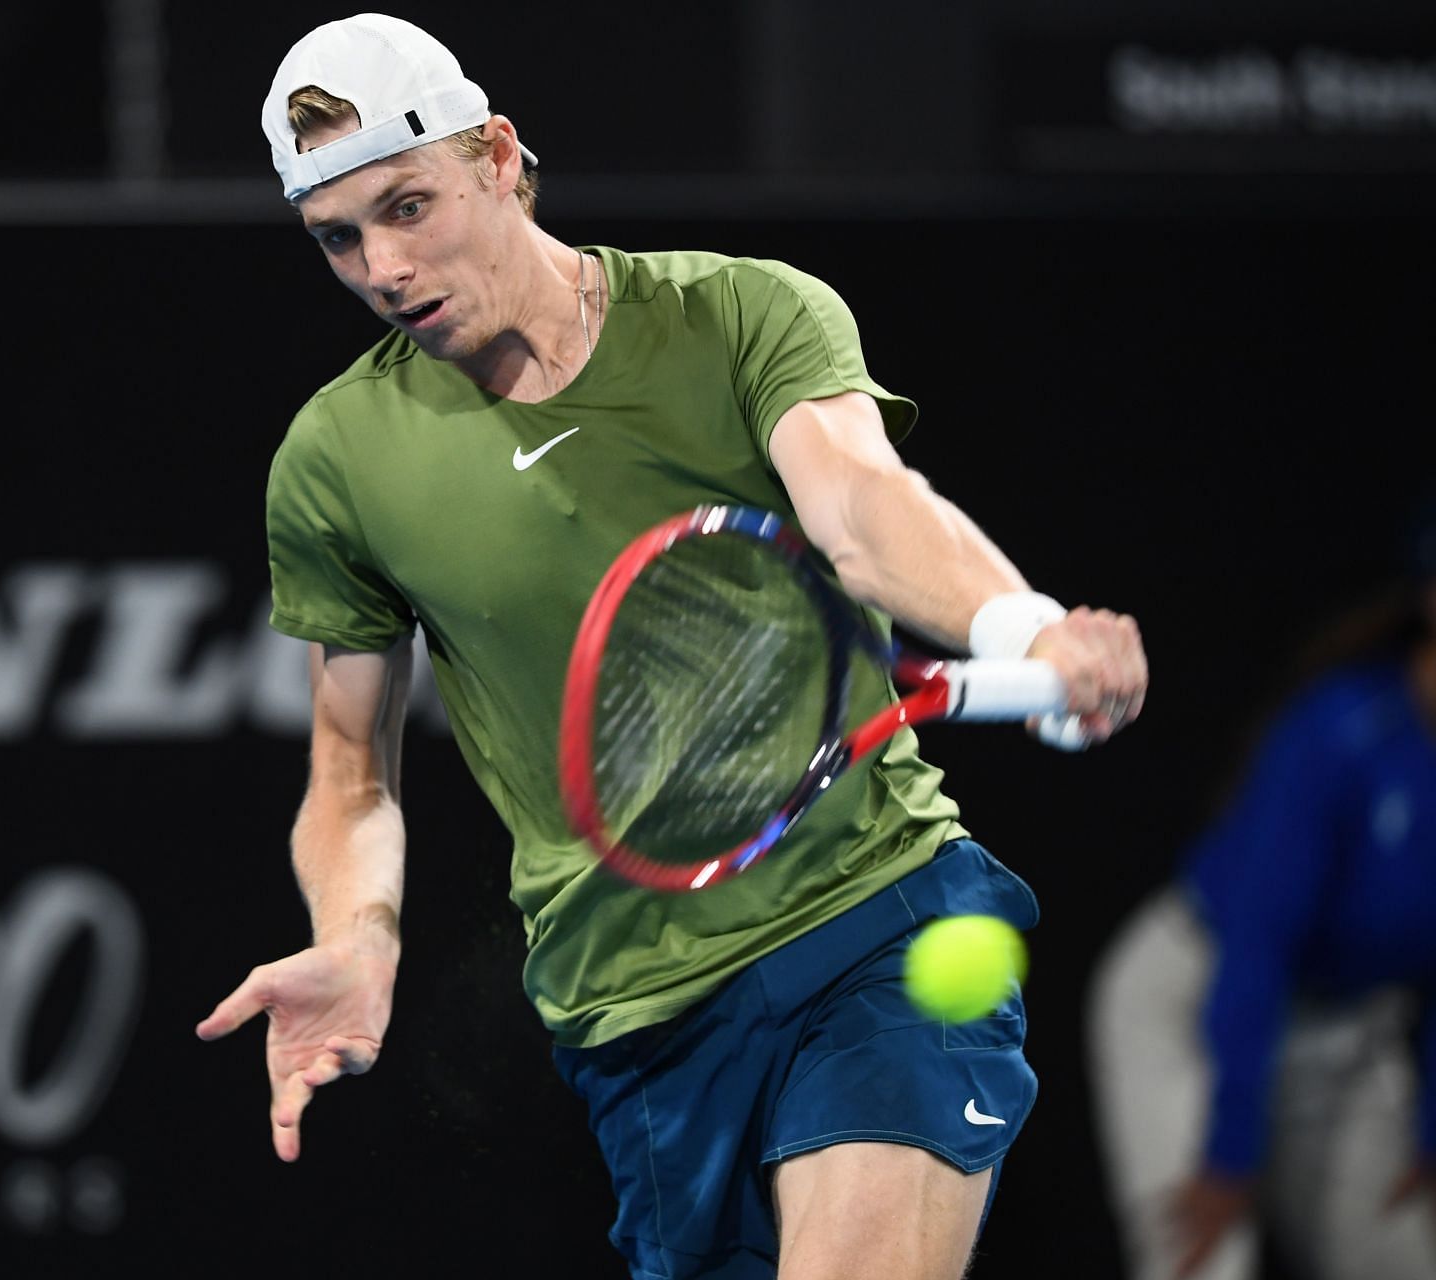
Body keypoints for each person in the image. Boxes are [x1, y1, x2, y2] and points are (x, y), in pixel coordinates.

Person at [196, 14, 1148, 1279]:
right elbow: (349, 774)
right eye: (338, 237)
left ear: (499, 156)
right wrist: (360, 933)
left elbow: (866, 512)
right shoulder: (336, 462)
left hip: (873, 921)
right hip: (635, 1014)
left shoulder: (742, 315)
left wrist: (1019, 626)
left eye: (408, 205)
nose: (381, 264)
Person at [1085, 499, 1436, 1280]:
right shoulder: (1338, 733)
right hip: (1193, 1004)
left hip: (1345, 1040)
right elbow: (1258, 947)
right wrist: (1228, 1150)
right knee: (1208, 1267)